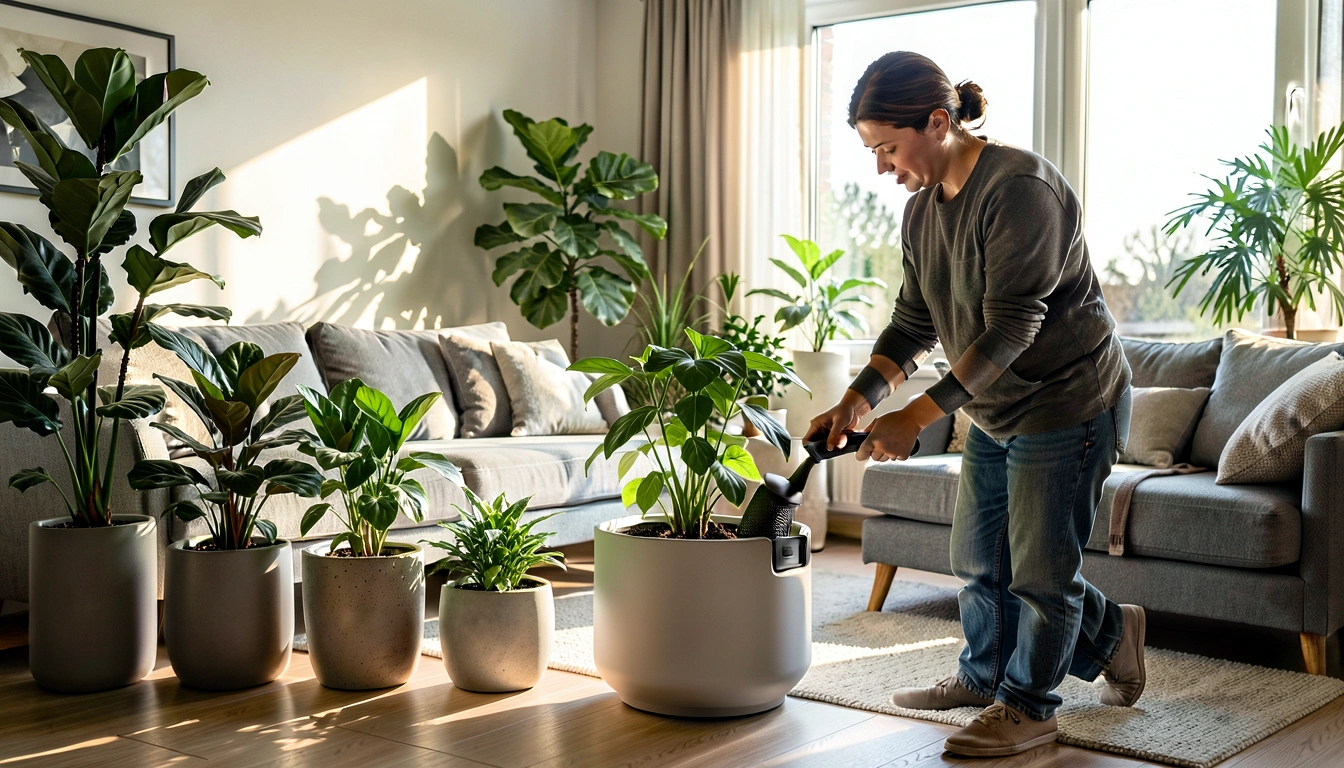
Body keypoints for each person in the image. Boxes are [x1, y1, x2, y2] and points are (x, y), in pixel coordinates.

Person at [808, 51, 1144, 758]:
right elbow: (910, 323)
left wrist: (917, 417)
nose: (880, 168)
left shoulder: (1021, 189)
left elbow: (1011, 329)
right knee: (978, 559)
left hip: (1069, 404)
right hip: (995, 410)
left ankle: (1029, 707)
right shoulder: (921, 215)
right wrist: (856, 401)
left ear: (938, 122)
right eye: (871, 152)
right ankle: (1011, 667)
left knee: (1039, 575)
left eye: (888, 149)